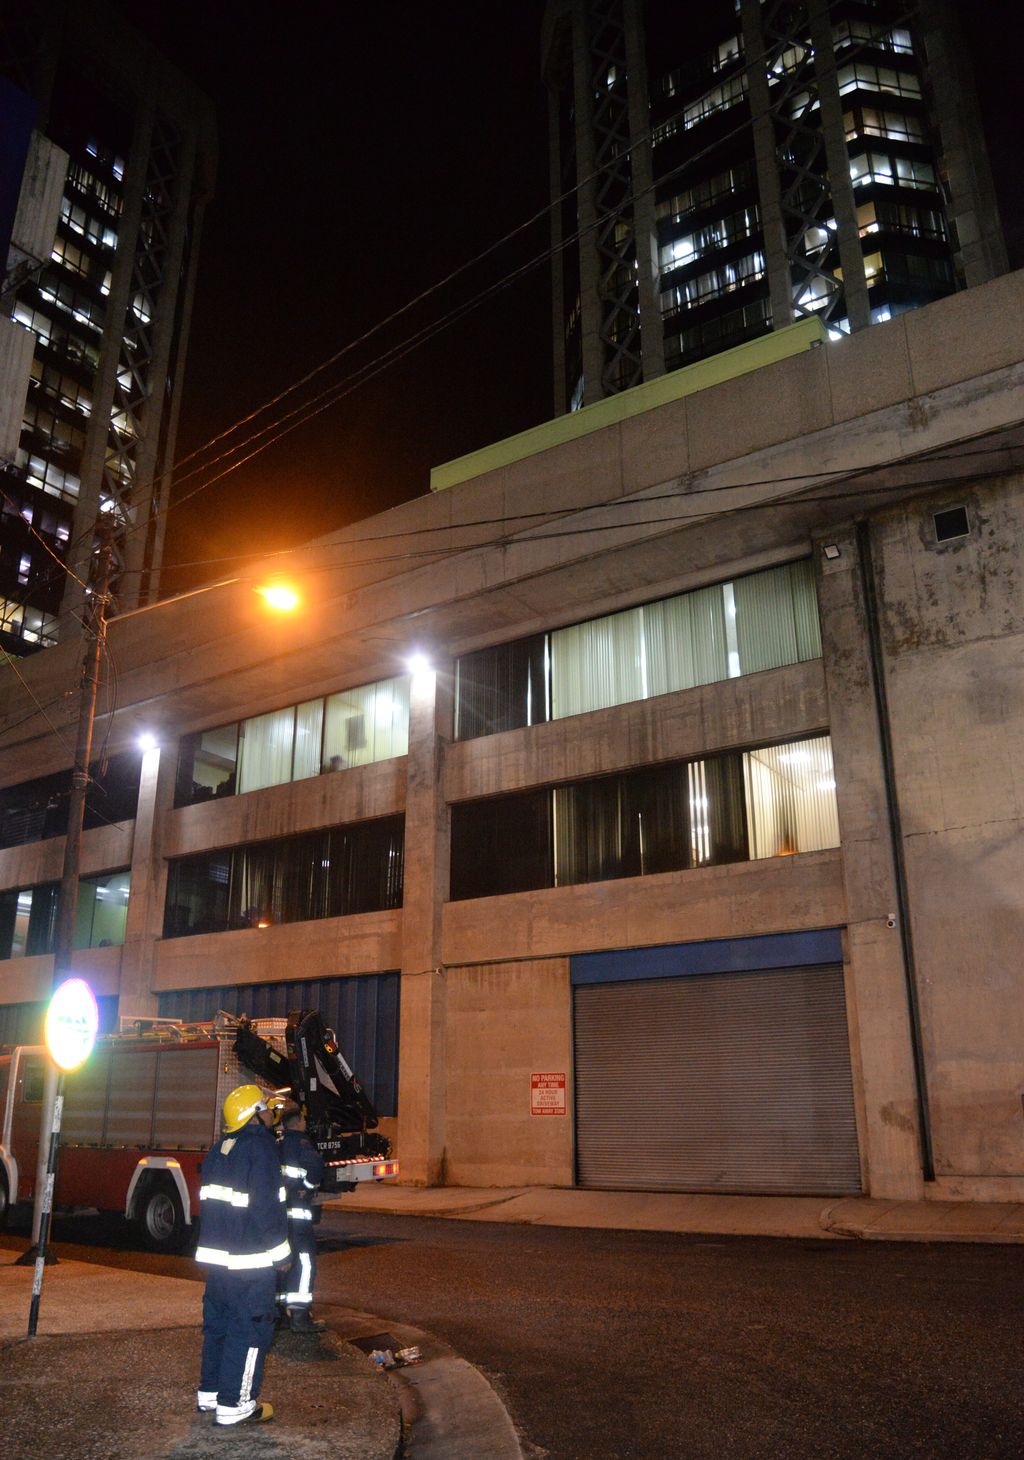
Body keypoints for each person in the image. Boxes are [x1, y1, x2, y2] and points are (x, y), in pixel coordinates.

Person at [195, 1084, 290, 1426]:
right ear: (254, 1115)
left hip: (220, 1265)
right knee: (250, 1331)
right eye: (265, 1108)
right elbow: (266, 1208)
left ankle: (210, 1394)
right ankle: (236, 1404)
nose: (271, 1113)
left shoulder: (220, 1149)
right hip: (251, 1264)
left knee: (218, 1327)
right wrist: (281, 1255)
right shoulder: (260, 1148)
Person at [276, 1099, 326, 1332]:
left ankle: (279, 1314)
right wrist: (308, 1187)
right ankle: (300, 1315)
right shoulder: (303, 1144)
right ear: (298, 1123)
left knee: (281, 1264)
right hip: (299, 1216)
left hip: (279, 1217)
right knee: (304, 1263)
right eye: (304, 1119)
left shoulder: (276, 1144)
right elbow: (315, 1167)